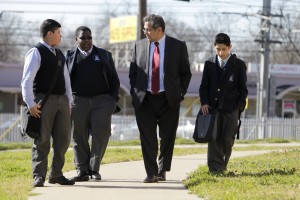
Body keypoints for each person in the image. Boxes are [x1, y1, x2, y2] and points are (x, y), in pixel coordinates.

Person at [129, 14, 192, 183]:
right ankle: (151, 173)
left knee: (167, 136)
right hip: (145, 100)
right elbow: (133, 73)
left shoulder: (177, 46)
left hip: (168, 99)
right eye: (144, 29)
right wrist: (135, 93)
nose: (145, 32)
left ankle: (162, 169)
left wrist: (179, 93)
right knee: (147, 137)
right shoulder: (138, 46)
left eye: (148, 29)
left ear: (159, 30)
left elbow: (186, 73)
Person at [21, 19, 75, 187]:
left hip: (62, 102)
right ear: (50, 33)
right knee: (42, 140)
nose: (61, 36)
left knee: (63, 140)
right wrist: (30, 103)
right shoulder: (35, 52)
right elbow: (27, 80)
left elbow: (66, 79)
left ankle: (56, 174)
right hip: (43, 101)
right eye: (58, 32)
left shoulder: (59, 54)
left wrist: (69, 102)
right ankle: (39, 176)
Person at [65, 26, 120, 182]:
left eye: (90, 37)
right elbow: (64, 81)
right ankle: (82, 170)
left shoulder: (104, 55)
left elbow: (114, 80)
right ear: (76, 39)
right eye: (83, 38)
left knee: (101, 135)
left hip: (102, 101)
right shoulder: (68, 56)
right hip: (77, 100)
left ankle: (94, 169)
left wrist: (112, 99)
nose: (87, 40)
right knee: (78, 136)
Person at [199, 33, 248, 174]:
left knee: (227, 139)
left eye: (223, 49)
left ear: (230, 47)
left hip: (231, 108)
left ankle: (223, 164)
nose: (220, 53)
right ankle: (215, 169)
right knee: (214, 138)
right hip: (213, 108)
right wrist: (204, 103)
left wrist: (239, 106)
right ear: (214, 47)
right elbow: (204, 86)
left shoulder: (238, 65)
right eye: (218, 49)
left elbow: (243, 89)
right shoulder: (209, 64)